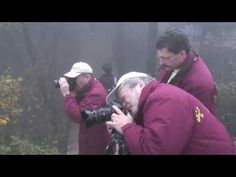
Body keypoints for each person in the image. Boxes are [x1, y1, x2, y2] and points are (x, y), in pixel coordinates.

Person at [106, 72, 235, 155]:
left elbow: (156, 151)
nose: (124, 104)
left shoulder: (163, 100)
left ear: (140, 85)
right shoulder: (161, 96)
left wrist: (127, 127)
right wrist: (130, 126)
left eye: (123, 98)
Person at [155, 30, 217, 114]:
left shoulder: (200, 85)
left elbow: (200, 121)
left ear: (182, 53)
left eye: (166, 58)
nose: (161, 62)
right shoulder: (173, 64)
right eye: (160, 57)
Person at [59, 62, 110, 154]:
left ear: (87, 77)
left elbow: (79, 116)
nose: (74, 82)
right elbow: (84, 103)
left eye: (76, 79)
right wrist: (74, 94)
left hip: (95, 142)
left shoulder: (96, 93)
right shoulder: (90, 86)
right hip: (89, 137)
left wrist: (67, 95)